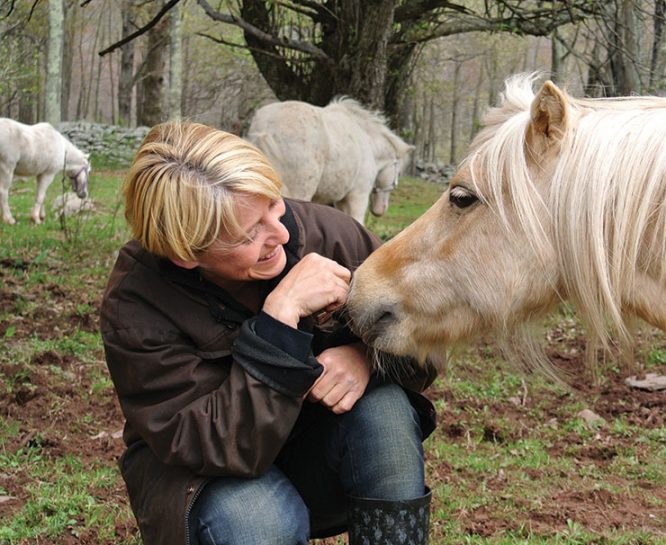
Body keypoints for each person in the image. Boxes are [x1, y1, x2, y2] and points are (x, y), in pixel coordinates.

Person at [100, 121, 440, 545]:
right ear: (187, 254)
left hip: (314, 450)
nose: (279, 234)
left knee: (386, 414)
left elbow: (428, 336)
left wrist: (364, 356)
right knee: (258, 519)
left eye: (273, 207)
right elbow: (218, 448)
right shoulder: (135, 306)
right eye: (249, 233)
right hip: (206, 477)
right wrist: (279, 320)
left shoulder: (329, 235)